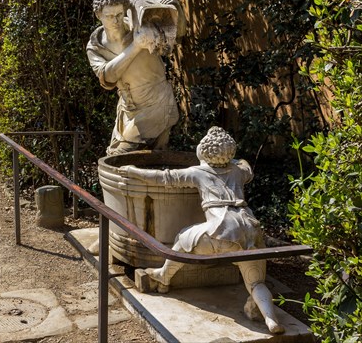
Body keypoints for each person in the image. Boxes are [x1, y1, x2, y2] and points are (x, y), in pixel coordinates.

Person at [119, 126, 285, 334]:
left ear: (202, 152)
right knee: (256, 282)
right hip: (251, 229)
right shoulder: (238, 171)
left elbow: (163, 178)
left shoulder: (197, 172)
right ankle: (271, 319)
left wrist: (133, 171)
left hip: (221, 232)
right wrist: (232, 160)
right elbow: (246, 166)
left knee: (183, 238)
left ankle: (164, 276)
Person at [86, 0, 180, 156]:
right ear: (98, 15)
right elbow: (108, 78)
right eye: (109, 16)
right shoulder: (95, 46)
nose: (116, 20)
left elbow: (177, 35)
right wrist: (135, 47)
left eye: (119, 14)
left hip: (157, 102)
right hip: (127, 109)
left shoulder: (142, 26)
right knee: (149, 159)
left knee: (121, 156)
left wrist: (175, 9)